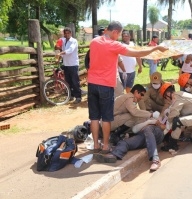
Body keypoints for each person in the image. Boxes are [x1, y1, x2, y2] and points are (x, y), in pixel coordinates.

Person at [88, 21, 168, 160]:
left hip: (92, 84)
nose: (118, 37)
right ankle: (106, 146)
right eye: (118, 34)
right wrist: (155, 49)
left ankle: (96, 144)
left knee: (94, 117)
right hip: (106, 84)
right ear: (115, 32)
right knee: (106, 117)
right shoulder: (114, 45)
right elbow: (137, 52)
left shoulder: (94, 41)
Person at [96, 123, 165, 171]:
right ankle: (114, 154)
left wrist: (154, 123)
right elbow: (135, 129)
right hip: (142, 135)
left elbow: (165, 127)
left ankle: (155, 159)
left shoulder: (166, 111)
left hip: (157, 132)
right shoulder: (144, 114)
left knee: (148, 128)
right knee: (124, 142)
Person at [57, 27, 82, 104]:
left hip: (73, 64)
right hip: (66, 64)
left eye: (68, 33)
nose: (67, 34)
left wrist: (60, 53)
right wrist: (59, 58)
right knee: (68, 81)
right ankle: (71, 96)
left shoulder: (74, 41)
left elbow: (70, 50)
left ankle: (78, 97)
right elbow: (59, 47)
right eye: (66, 33)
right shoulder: (63, 41)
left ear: (71, 33)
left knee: (75, 81)